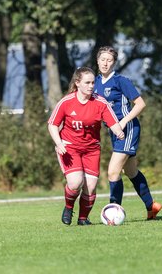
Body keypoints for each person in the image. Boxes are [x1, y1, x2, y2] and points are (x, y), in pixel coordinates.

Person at [48, 67, 124, 226]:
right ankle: (69, 207)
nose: (91, 86)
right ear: (77, 83)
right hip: (69, 148)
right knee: (75, 183)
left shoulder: (100, 102)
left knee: (90, 186)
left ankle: (83, 219)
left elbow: (112, 123)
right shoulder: (66, 102)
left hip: (91, 150)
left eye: (93, 82)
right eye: (87, 83)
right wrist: (59, 143)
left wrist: (118, 132)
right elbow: (52, 125)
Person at [94, 46, 162, 220]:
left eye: (109, 60)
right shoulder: (94, 83)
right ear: (97, 60)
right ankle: (151, 206)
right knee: (131, 172)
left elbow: (140, 104)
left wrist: (123, 122)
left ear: (114, 62)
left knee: (112, 172)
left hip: (128, 129)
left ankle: (113, 213)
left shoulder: (120, 80)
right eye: (103, 59)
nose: (105, 63)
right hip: (114, 132)